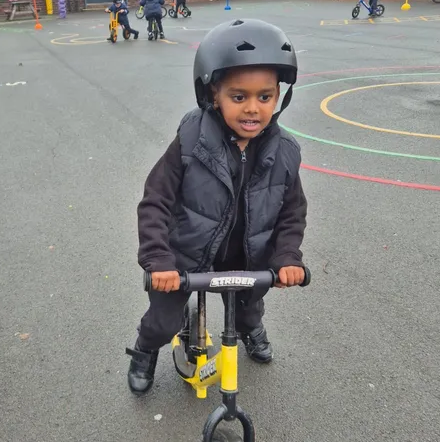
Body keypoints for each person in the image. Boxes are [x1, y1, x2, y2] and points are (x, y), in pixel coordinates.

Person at [126, 19, 307, 394]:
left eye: (265, 96)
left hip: (245, 258)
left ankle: (251, 328)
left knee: (246, 310)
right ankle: (144, 350)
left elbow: (292, 211)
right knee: (163, 321)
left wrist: (287, 257)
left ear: (279, 96)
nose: (254, 109)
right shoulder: (191, 141)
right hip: (183, 257)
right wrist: (158, 259)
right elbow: (156, 201)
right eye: (239, 97)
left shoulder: (285, 152)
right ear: (213, 95)